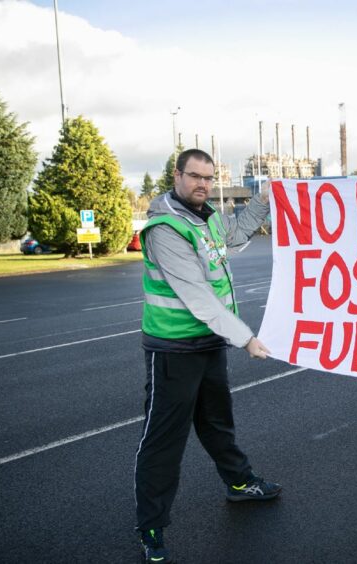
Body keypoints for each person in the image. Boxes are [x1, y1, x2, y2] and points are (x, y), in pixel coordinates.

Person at [134, 148, 279, 564]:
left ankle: (238, 483)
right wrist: (246, 338)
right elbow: (198, 298)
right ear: (177, 176)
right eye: (195, 176)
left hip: (208, 343)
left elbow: (232, 237)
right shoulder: (164, 229)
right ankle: (151, 528)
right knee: (163, 440)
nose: (203, 184)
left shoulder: (208, 217)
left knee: (217, 421)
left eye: (209, 178)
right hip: (173, 350)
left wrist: (262, 202)